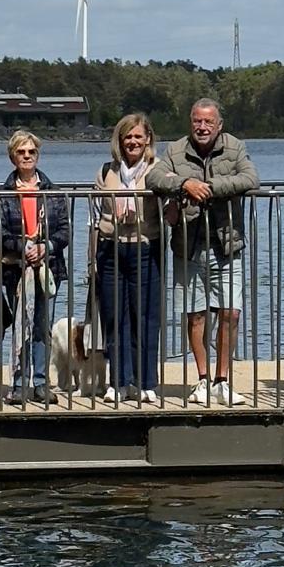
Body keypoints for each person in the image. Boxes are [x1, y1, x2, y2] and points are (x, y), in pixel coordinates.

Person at [147, 99, 260, 406]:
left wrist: (208, 186)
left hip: (227, 245)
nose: (202, 127)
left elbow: (250, 178)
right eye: (197, 121)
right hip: (188, 246)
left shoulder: (235, 148)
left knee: (230, 313)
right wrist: (185, 184)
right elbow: (154, 178)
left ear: (219, 125)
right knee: (194, 315)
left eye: (208, 122)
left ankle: (223, 380)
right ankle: (202, 380)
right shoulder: (176, 150)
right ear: (190, 122)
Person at [91, 114, 165, 405]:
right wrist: (92, 259)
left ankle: (145, 382)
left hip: (145, 247)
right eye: (127, 137)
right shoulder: (105, 171)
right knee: (114, 318)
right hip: (111, 248)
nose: (132, 142)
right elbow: (95, 218)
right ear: (119, 141)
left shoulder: (158, 169)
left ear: (148, 139)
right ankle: (118, 382)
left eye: (138, 136)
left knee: (145, 317)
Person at [0, 130, 70, 403]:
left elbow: (64, 230)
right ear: (12, 156)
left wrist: (45, 247)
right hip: (15, 269)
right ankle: (18, 383)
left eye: (31, 152)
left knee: (41, 326)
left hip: (48, 269)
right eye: (21, 152)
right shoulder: (2, 194)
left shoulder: (53, 192)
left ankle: (41, 382)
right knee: (19, 325)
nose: (27, 156)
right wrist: (22, 248)